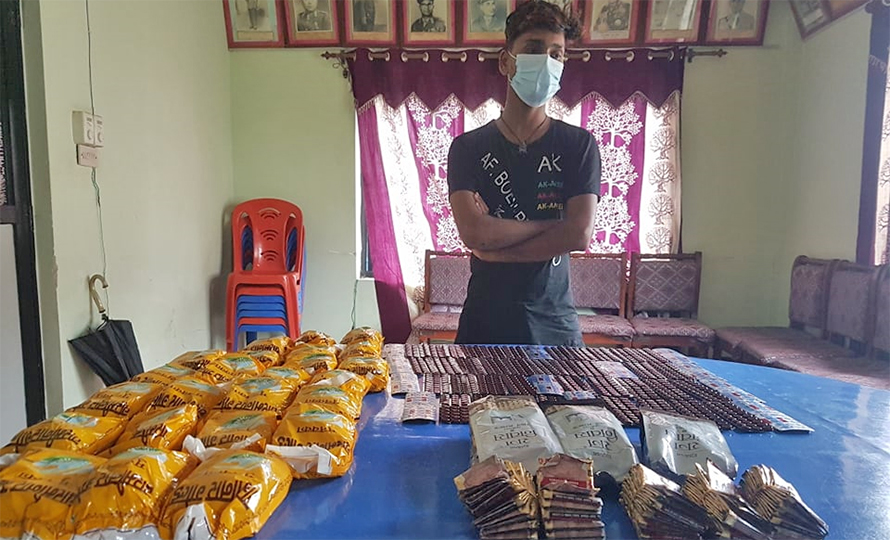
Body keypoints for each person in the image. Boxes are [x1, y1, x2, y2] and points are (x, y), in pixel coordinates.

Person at [447, 1, 600, 346]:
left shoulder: (578, 145)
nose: (546, 62)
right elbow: (475, 233)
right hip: (484, 322)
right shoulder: (468, 148)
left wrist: (496, 247)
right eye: (533, 49)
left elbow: (578, 234)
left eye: (556, 54)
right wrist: (552, 225)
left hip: (555, 324)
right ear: (506, 61)